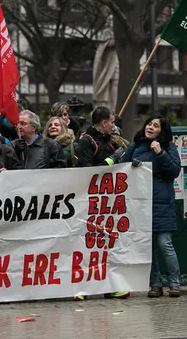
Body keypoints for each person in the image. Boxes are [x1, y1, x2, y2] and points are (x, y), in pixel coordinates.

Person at [123, 114, 182, 298]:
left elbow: (174, 170)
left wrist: (160, 153)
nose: (150, 127)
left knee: (164, 244)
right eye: (149, 124)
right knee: (147, 248)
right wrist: (132, 166)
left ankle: (174, 283)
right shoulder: (136, 146)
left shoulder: (168, 147)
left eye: (155, 126)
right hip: (141, 205)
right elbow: (122, 167)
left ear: (161, 132)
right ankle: (155, 284)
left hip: (161, 204)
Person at [73, 106, 127, 300]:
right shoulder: (86, 141)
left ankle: (110, 287)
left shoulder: (110, 140)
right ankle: (81, 288)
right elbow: (87, 171)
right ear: (104, 123)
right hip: (90, 201)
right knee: (86, 245)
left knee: (106, 245)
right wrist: (112, 160)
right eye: (111, 122)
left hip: (108, 202)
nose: (113, 125)